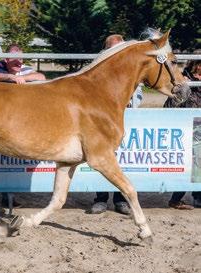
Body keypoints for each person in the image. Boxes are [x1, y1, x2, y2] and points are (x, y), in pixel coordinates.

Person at [0, 44, 46, 208]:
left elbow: (41, 77)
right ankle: (1, 195)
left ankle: (9, 196)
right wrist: (11, 78)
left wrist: (23, 78)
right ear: (6, 59)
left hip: (20, 119)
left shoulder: (25, 70)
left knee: (12, 161)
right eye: (15, 58)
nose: (19, 61)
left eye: (21, 58)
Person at [89, 34, 143, 215]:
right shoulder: (97, 66)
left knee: (121, 163)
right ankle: (101, 199)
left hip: (122, 119)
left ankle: (120, 200)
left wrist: (128, 100)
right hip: (101, 122)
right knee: (101, 160)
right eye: (113, 49)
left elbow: (139, 91)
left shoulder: (131, 68)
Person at [164, 59, 201, 209]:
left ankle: (197, 196)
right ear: (195, 65)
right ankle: (176, 198)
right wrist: (181, 89)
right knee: (189, 164)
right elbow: (168, 106)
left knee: (198, 165)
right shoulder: (184, 81)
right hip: (187, 128)